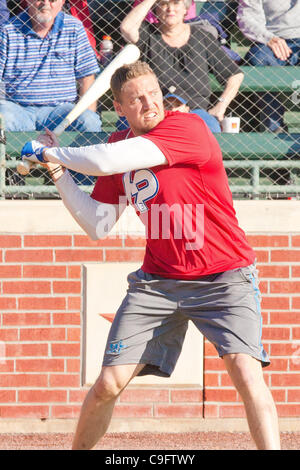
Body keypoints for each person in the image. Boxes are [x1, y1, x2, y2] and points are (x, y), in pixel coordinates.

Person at [20, 60, 280, 450]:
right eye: (135, 99)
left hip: (224, 276)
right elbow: (98, 224)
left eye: (153, 93)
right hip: (158, 282)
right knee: (107, 384)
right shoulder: (115, 143)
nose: (149, 103)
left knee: (245, 371)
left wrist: (48, 151)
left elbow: (105, 162)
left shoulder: (186, 126)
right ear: (119, 108)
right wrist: (58, 171)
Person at [120, 0, 244, 132]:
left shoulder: (202, 37)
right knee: (129, 126)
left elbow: (235, 75)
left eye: (176, 3)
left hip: (195, 111)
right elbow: (127, 28)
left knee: (210, 128)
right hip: (155, 109)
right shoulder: (148, 34)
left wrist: (221, 106)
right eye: (163, 4)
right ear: (155, 9)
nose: (170, 9)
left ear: (185, 9)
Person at [0, 0, 101, 134]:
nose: (46, 3)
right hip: (18, 110)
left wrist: (86, 112)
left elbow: (87, 77)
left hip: (60, 111)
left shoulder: (74, 27)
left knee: (89, 120)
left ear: (62, 2)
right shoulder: (8, 29)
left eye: (53, 0)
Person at [237, 0, 300, 132]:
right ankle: (275, 126)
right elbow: (248, 19)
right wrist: (268, 38)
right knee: (257, 59)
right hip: (273, 40)